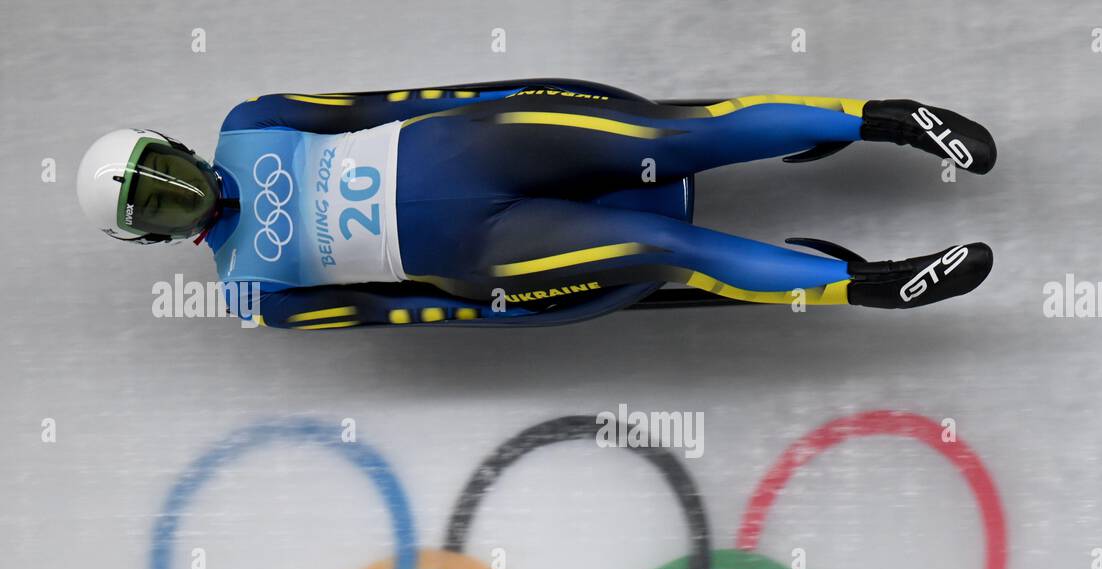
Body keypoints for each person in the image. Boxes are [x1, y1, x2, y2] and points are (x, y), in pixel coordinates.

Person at [76, 79, 996, 330]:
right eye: (154, 207)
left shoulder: (255, 120)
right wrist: (493, 308)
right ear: (151, 239)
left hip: (488, 138)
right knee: (658, 251)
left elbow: (382, 106)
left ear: (180, 147)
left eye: (161, 169)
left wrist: (493, 104)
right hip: (489, 242)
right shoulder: (257, 292)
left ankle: (882, 118)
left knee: (667, 140)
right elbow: (394, 311)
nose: (175, 193)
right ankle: (869, 285)